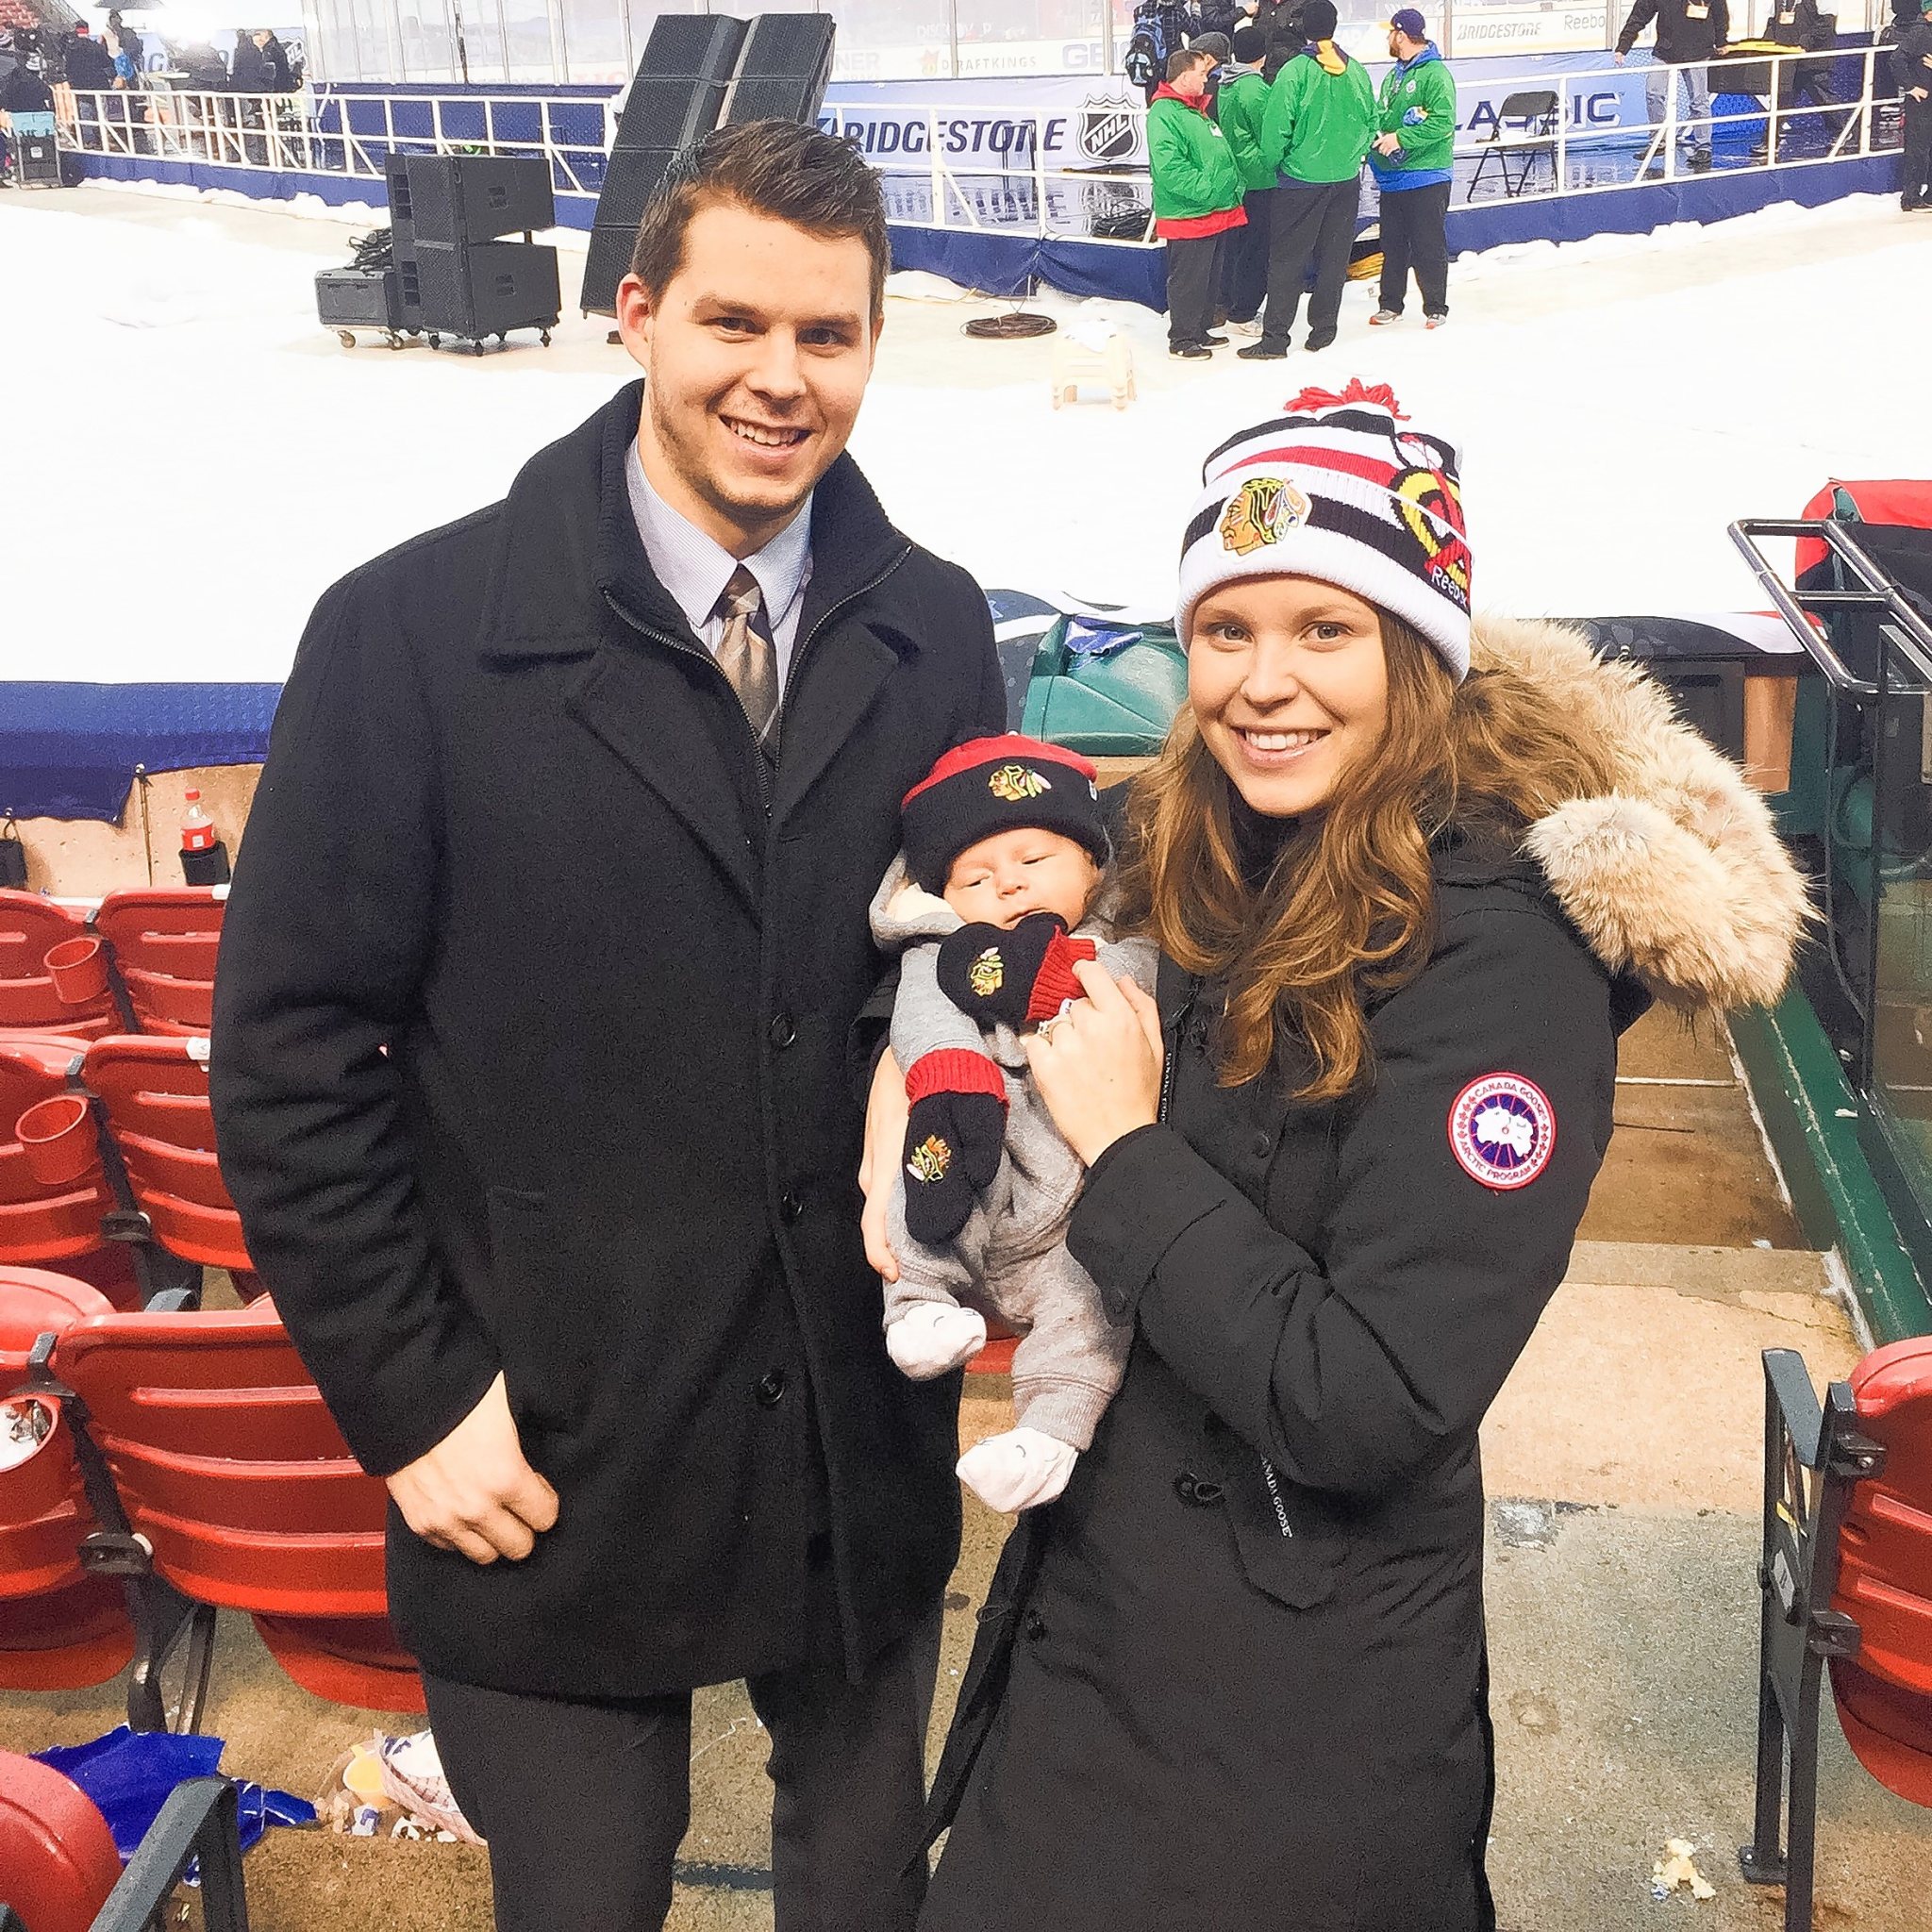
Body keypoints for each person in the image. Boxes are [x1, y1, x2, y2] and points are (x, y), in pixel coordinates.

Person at [210, 119, 1005, 1932]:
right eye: (735, 322)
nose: (780, 377)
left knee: (868, 1895)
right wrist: (413, 1399)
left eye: (827, 335)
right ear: (636, 314)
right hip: (543, 1444)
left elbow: (956, 964)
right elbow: (288, 1056)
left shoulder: (937, 628)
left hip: (851, 1435)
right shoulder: (407, 634)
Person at [904, 378, 1807, 1932]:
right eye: (1225, 629)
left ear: (1416, 650)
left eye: (1324, 629)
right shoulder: (1197, 851)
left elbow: (1372, 1393)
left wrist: (1122, 1149)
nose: (1264, 683)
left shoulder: (1503, 961)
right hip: (1096, 1631)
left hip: (1286, 1730)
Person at [873, 734, 1157, 1514]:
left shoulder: (1125, 946)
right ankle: (921, 1307)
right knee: (918, 1180)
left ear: (1092, 865)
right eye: (976, 877)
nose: (1008, 883)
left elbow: (1132, 985)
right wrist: (950, 1072)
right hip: (976, 1148)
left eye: (1033, 859)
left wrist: (1063, 972)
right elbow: (921, 1020)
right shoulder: (939, 955)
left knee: (1096, 1297)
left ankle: (1049, 1432)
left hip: (1078, 1196)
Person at [1239, 0, 1375, 358]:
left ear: (1303, 27)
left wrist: (1276, 164)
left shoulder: (1295, 71)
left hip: (1300, 182)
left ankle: (1275, 340)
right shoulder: (1356, 71)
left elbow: (1275, 130)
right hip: (1345, 180)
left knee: (1287, 261)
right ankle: (1323, 332)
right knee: (1333, 259)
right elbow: (1371, 122)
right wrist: (1350, 158)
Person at [1146, 45, 1247, 358]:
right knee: (1188, 278)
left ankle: (1199, 329)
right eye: (1202, 74)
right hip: (1190, 211)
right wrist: (1208, 190)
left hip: (1212, 209)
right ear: (1184, 76)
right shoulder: (1165, 114)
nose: (1207, 79)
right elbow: (1170, 167)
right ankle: (1181, 338)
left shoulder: (1192, 110)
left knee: (1208, 277)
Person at [1370, 8, 1456, 327]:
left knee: (1428, 244)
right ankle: (1390, 304)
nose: (1388, 38)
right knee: (1392, 244)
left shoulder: (1436, 74)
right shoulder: (1394, 75)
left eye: (1390, 33)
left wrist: (1401, 138)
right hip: (1393, 178)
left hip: (1427, 175)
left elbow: (1443, 123)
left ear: (1402, 35)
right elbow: (1382, 114)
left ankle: (1436, 307)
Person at [1615, 0, 1730, 174]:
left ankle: (1704, 147)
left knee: (1699, 100)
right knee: (1653, 93)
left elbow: (1720, 13)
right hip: (1666, 50)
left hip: (1698, 51)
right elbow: (1639, 15)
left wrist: (1721, 41)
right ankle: (1658, 142)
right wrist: (1623, 46)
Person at [1214, 23, 1275, 333]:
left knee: (1237, 246)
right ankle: (1244, 313)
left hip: (1236, 176)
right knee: (1256, 248)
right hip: (1260, 177)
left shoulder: (1226, 84)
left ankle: (1230, 305)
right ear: (1263, 55)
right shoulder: (1254, 89)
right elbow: (1271, 132)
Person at [1757, 0, 1843, 156]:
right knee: (1782, 99)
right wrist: (1767, 45)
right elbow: (1772, 23)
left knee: (1822, 96)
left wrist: (1805, 43)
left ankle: (1842, 132)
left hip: (1814, 58)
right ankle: (1770, 140)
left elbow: (1826, 25)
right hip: (1788, 59)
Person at [1901, 0, 1932, 208]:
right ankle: (1911, 197)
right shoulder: (1919, 32)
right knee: (1917, 150)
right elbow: (1897, 59)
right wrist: (1910, 87)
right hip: (1921, 104)